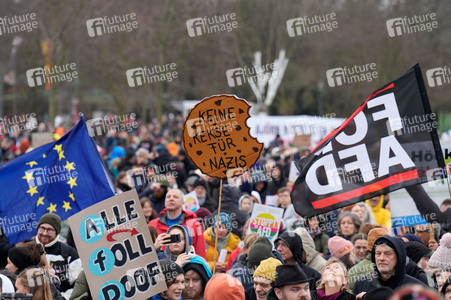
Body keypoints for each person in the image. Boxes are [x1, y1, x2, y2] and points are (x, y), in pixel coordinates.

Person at [353, 235, 425, 296]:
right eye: (378, 253)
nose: (381, 258)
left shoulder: (416, 288)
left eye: (388, 254)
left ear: (399, 257)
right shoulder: (361, 284)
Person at [149, 189, 206, 258]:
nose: (171, 199)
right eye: (168, 197)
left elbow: (200, 253)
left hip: (187, 267)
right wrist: (155, 248)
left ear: (183, 202)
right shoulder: (152, 224)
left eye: (175, 197)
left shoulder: (195, 225)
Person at [35, 213, 82, 295]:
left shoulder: (70, 253)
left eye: (50, 230)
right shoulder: (27, 250)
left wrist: (62, 298)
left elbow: (78, 285)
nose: (45, 233)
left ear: (57, 232)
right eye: (42, 228)